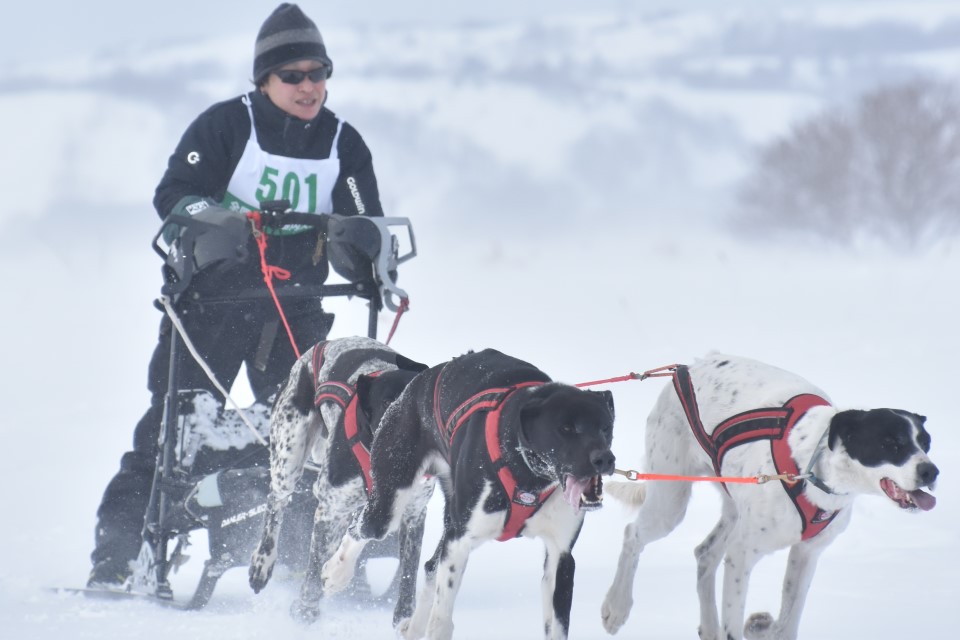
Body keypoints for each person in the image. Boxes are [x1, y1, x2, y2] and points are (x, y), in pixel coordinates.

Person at [88, 3, 385, 587]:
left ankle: (313, 555)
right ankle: (117, 557)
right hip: (211, 307)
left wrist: (360, 245)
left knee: (315, 433)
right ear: (264, 81)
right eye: (292, 75)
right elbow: (176, 194)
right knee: (174, 431)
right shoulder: (225, 126)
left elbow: (363, 219)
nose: (308, 87)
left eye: (318, 72)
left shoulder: (343, 143)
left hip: (295, 307)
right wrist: (216, 220)